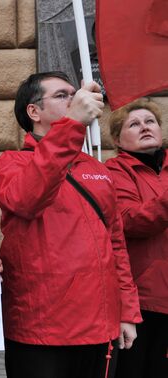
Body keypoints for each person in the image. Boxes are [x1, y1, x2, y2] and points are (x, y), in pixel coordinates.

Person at [0, 72, 142, 378]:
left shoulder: (96, 169)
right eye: (61, 96)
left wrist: (127, 312)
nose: (74, 99)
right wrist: (71, 125)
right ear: (34, 112)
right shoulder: (11, 164)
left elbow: (116, 246)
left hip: (101, 327)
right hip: (40, 331)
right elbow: (28, 198)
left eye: (74, 93)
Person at [105, 98, 168, 378]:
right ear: (118, 139)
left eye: (150, 121)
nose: (145, 127)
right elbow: (131, 220)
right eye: (134, 124)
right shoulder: (114, 171)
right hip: (144, 301)